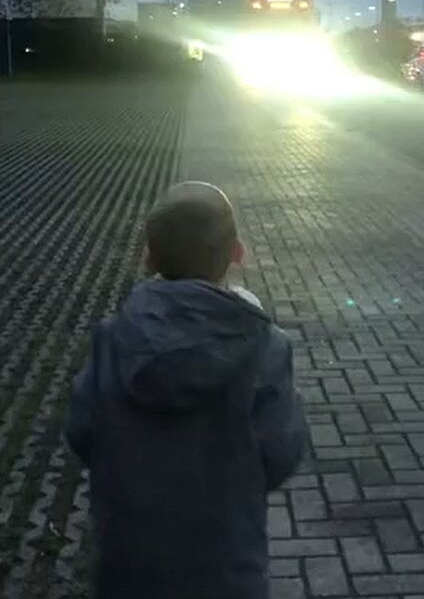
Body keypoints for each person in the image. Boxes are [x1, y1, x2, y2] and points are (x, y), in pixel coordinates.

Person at [64, 181, 309, 599]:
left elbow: (82, 431)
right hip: (225, 562)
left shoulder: (113, 341)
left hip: (128, 561)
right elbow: (281, 451)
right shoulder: (265, 347)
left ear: (149, 256)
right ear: (237, 253)